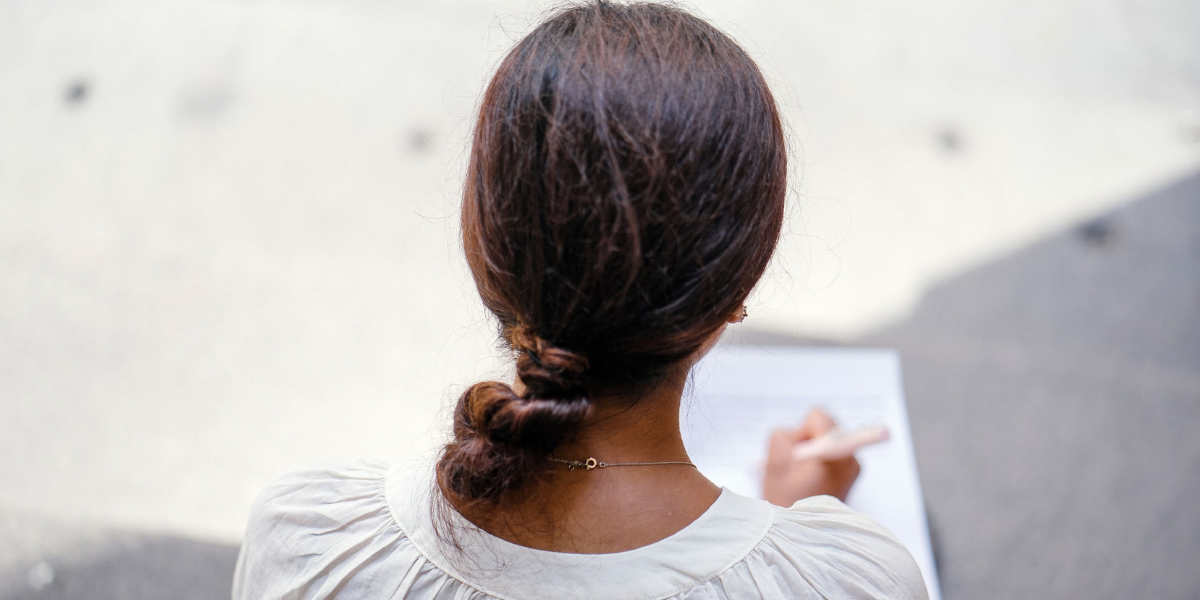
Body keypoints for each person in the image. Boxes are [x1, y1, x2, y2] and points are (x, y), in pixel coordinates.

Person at [233, 2, 928, 598]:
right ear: (735, 292)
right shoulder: (852, 584)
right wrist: (791, 547)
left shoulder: (310, 547)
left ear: (482, 244)